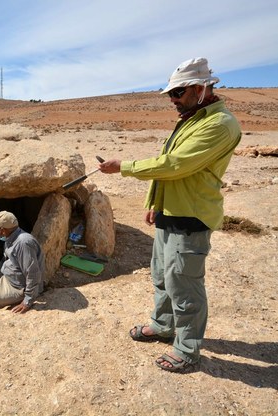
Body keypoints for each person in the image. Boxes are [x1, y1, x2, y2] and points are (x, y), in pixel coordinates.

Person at [98, 57, 241, 372]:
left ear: (201, 88)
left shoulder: (220, 124)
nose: (173, 100)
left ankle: (188, 350)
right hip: (170, 212)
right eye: (171, 94)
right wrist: (155, 202)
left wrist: (124, 167)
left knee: (184, 283)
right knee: (162, 276)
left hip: (191, 217)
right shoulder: (192, 118)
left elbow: (175, 165)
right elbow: (169, 163)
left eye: (178, 93)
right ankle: (162, 325)